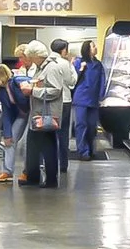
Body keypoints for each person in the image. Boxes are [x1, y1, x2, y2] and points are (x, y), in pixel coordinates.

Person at [22, 43, 66, 187]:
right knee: (36, 145)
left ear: (36, 56)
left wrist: (33, 91)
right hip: (39, 113)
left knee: (47, 147)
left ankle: (49, 179)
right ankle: (34, 177)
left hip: (45, 115)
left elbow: (56, 90)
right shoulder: (44, 67)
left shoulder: (51, 68)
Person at [39, 40, 80, 177]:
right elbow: (72, 82)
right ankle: (63, 164)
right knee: (63, 134)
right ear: (64, 50)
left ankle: (47, 163)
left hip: (48, 101)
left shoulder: (45, 63)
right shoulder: (64, 63)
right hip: (64, 100)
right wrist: (73, 68)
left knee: (48, 132)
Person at [0, 62, 26, 184]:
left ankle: (28, 171)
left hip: (32, 113)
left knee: (27, 144)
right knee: (10, 142)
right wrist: (7, 134)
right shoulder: (1, 93)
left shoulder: (17, 83)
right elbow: (6, 113)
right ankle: (7, 171)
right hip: (21, 116)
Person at [72, 46, 107, 161]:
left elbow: (102, 80)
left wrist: (101, 95)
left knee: (92, 125)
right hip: (81, 97)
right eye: (92, 46)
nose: (95, 48)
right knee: (81, 124)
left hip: (93, 98)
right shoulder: (79, 62)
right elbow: (73, 79)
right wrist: (80, 69)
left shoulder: (98, 64)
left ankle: (91, 149)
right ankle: (83, 151)